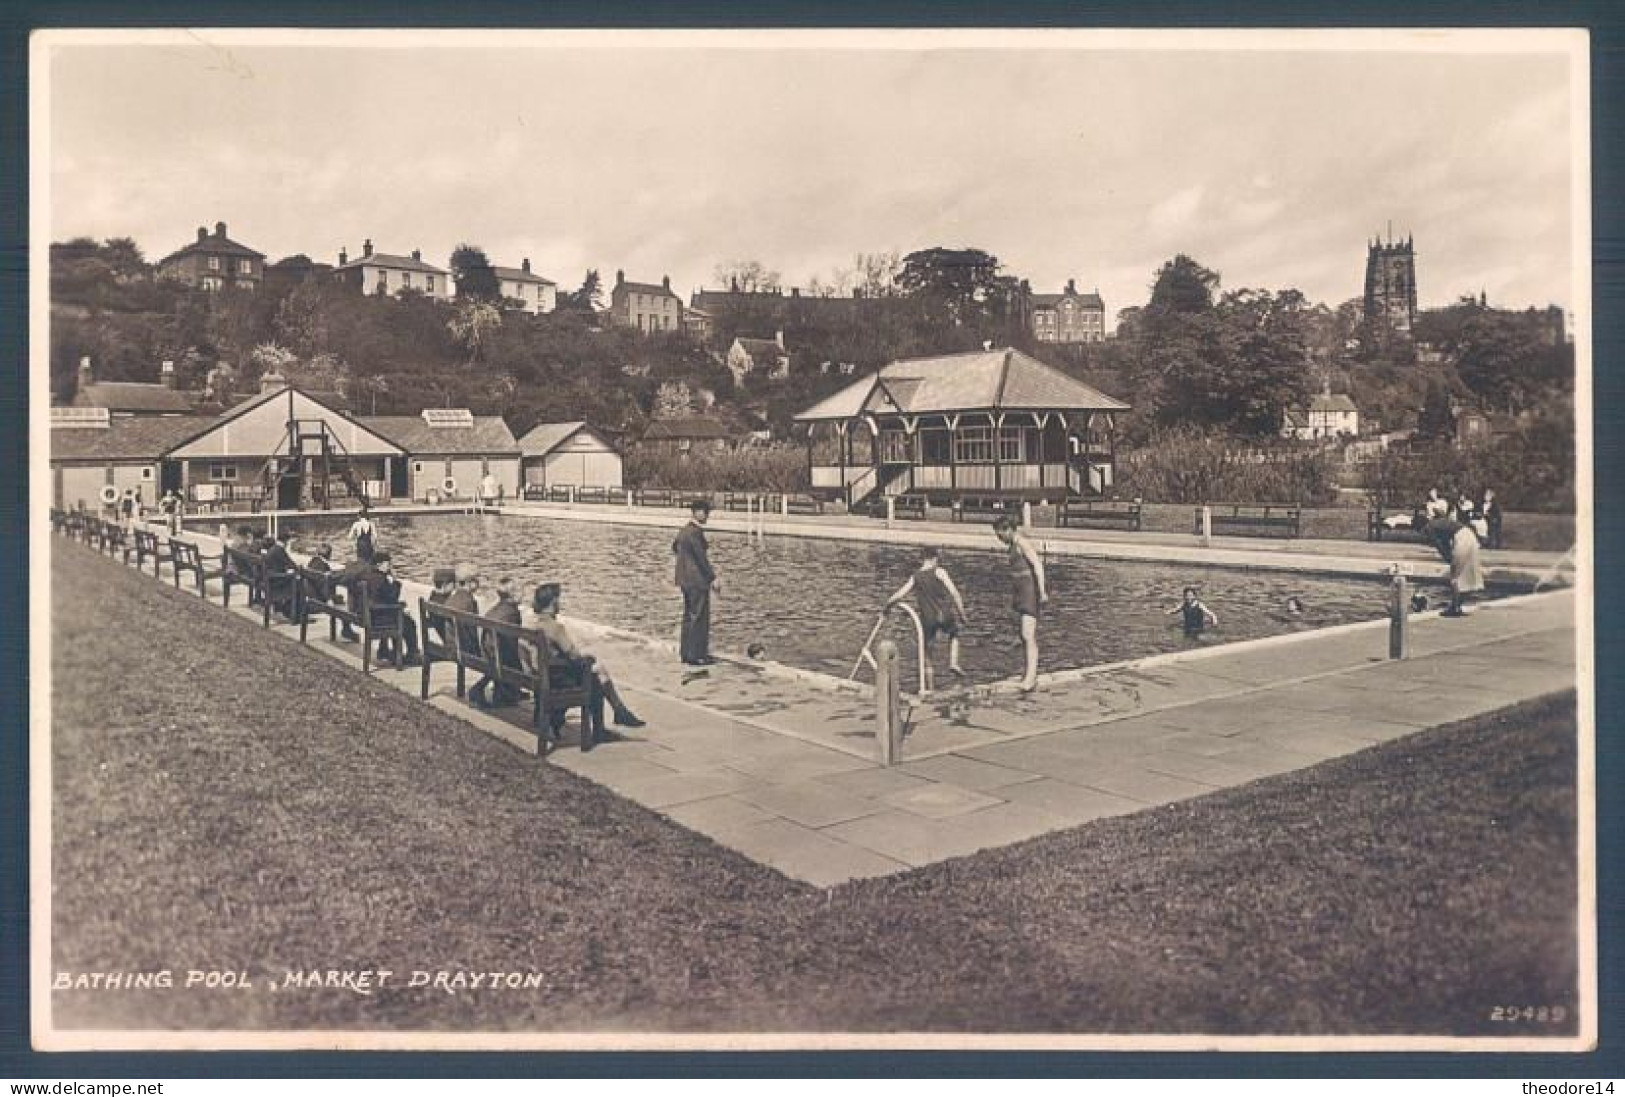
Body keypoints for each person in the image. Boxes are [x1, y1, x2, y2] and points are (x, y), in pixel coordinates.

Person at [524, 582, 646, 744]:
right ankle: (607, 723)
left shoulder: (533, 625)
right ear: (553, 603)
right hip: (557, 679)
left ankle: (618, 713)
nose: (560, 603)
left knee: (596, 671)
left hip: (542, 675)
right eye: (558, 600)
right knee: (596, 678)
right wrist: (588, 660)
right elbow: (573, 656)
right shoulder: (555, 628)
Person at [884, 546, 968, 687]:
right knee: (954, 635)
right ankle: (953, 662)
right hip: (944, 614)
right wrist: (962, 614)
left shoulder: (915, 577)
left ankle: (930, 688)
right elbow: (955, 593)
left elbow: (898, 595)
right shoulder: (939, 572)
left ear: (922, 559)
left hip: (927, 619)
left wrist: (886, 608)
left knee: (927, 654)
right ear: (935, 558)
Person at [992, 515, 1048, 692]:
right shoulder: (1012, 546)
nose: (999, 538)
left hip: (1030, 592)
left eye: (1000, 534)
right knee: (1023, 635)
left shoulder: (1022, 543)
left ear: (1008, 530)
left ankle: (1030, 679)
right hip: (1020, 593)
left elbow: (1037, 565)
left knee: (1028, 634)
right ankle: (1028, 673)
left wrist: (1042, 590)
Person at [673, 499, 719, 666]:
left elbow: (674, 548)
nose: (707, 516)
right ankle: (697, 655)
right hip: (697, 581)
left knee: (688, 617)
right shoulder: (695, 533)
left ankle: (686, 652)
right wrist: (713, 578)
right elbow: (701, 558)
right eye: (706, 512)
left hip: (684, 580)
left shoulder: (683, 531)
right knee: (699, 617)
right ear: (697, 512)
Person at [471, 577, 523, 708]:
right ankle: (506, 693)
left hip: (489, 654)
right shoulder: (512, 613)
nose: (523, 594)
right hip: (499, 659)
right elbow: (512, 645)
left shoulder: (495, 609)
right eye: (521, 591)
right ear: (513, 595)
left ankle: (507, 691)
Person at [370, 552, 421, 666]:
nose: (389, 566)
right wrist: (395, 581)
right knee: (409, 623)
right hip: (381, 619)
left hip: (372, 615)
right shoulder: (382, 580)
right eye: (387, 564)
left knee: (399, 616)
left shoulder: (370, 577)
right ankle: (412, 654)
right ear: (379, 565)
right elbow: (392, 597)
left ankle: (384, 650)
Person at [1432, 516, 1485, 617]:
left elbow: (1439, 544)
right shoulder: (1437, 524)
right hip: (1470, 536)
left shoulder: (1429, 528)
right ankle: (1457, 606)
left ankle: (1454, 608)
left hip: (1462, 539)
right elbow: (1446, 542)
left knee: (1455, 576)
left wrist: (1448, 558)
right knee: (1467, 575)